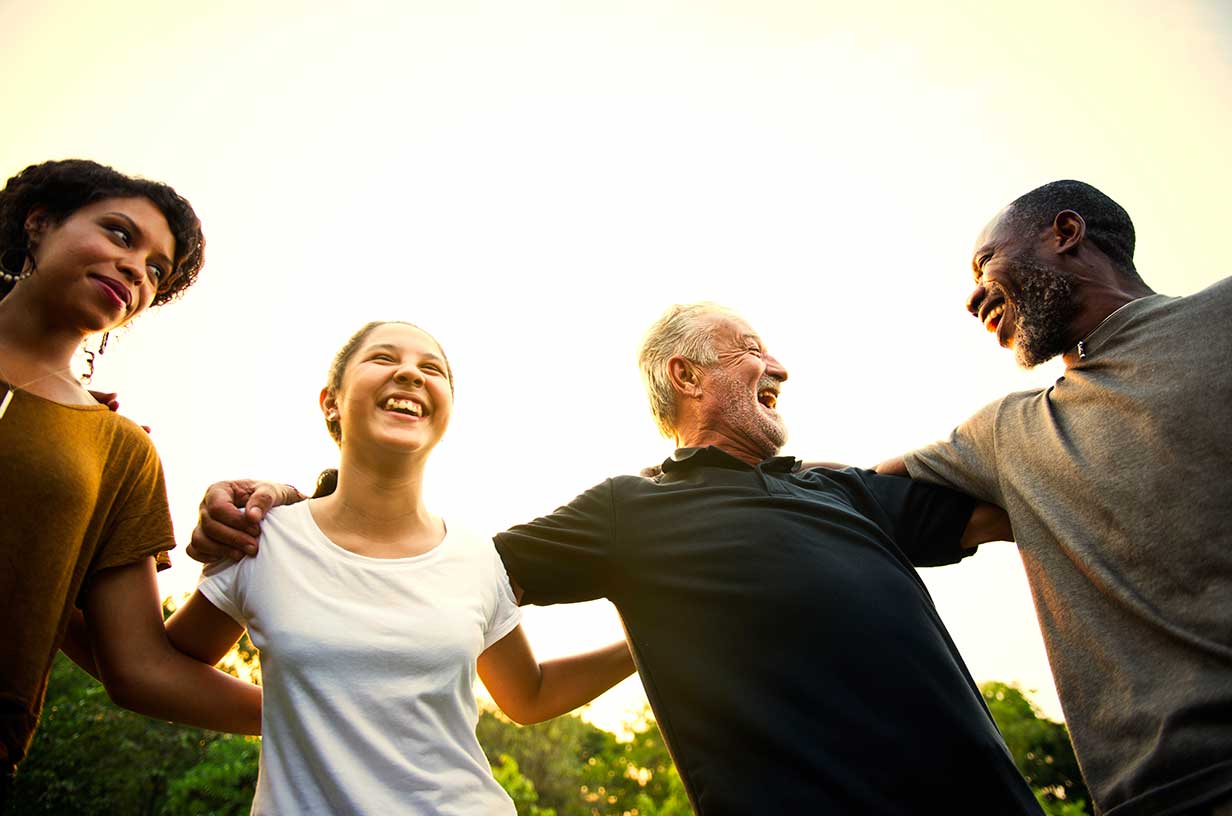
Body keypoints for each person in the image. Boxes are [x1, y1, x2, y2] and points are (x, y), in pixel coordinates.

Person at [190, 304, 1043, 815]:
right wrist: (291, 502)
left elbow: (1032, 509)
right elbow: (427, 574)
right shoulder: (628, 511)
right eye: (750, 346)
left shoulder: (849, 492)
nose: (778, 362)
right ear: (686, 373)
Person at [165, 320, 635, 814]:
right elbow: (157, 668)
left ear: (446, 410)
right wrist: (295, 713)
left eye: (431, 368)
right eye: (384, 359)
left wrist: (645, 641)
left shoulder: (476, 555)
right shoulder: (264, 538)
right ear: (331, 401)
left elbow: (529, 695)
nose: (411, 374)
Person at [878, 180, 1232, 816]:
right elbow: (857, 488)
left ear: (1064, 233)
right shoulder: (1007, 434)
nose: (971, 296)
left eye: (985, 262)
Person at [0, 159, 262, 801]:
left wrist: (329, 713)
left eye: (156, 271)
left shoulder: (119, 449)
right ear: (39, 224)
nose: (135, 270)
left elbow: (139, 667)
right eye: (120, 235)